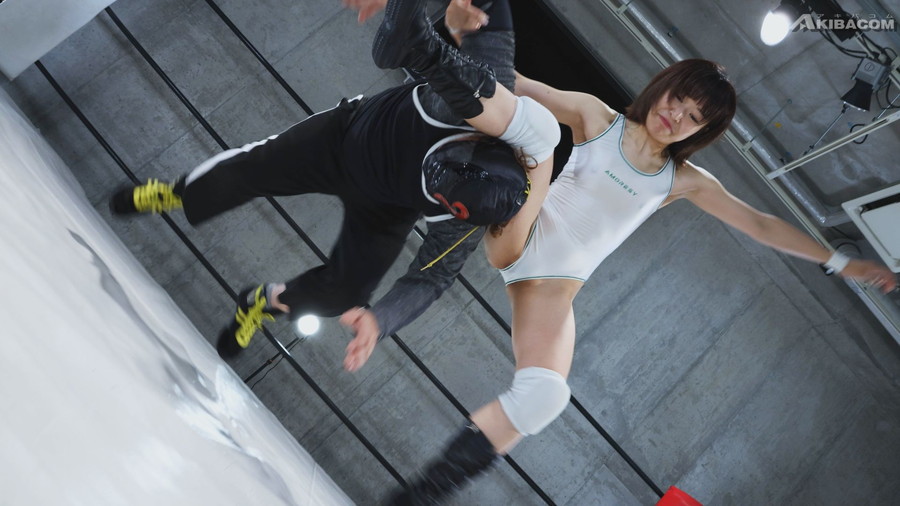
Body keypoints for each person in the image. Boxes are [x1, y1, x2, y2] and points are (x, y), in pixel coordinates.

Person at [345, 1, 900, 503]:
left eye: (693, 117)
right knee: (532, 127)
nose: (675, 116)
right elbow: (511, 83)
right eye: (677, 100)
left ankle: (419, 496)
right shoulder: (599, 119)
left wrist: (840, 261)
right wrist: (454, 36)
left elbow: (758, 222)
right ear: (663, 87)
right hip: (520, 232)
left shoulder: (681, 180)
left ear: (700, 131)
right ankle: (415, 47)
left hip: (552, 289)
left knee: (544, 398)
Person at [109, 0, 559, 367]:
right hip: (344, 140)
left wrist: (380, 322)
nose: (435, 182)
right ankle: (179, 192)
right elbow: (490, 9)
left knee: (344, 295)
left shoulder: (466, 222)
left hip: (385, 210)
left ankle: (264, 303)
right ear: (474, 143)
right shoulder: (483, 93)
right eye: (438, 170)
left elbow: (433, 277)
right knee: (250, 171)